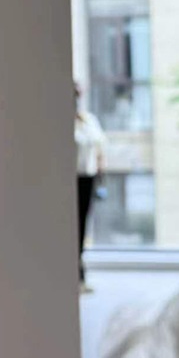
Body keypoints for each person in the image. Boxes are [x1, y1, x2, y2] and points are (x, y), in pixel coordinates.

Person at [75, 82, 106, 293]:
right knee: (73, 228)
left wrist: (101, 174)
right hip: (72, 180)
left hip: (88, 179)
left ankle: (80, 274)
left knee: (82, 227)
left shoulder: (88, 121)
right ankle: (77, 274)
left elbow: (100, 148)